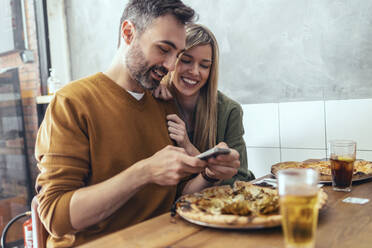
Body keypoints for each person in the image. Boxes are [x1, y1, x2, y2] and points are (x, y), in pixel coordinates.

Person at [35, 1, 241, 247]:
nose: (171, 66)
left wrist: (210, 174)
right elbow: (56, 217)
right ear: (128, 33)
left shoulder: (163, 103)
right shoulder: (72, 102)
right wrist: (143, 173)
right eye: (164, 49)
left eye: (177, 55)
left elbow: (174, 198)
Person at [153, 24, 255, 186]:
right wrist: (151, 85)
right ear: (172, 61)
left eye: (204, 65)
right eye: (186, 60)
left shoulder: (230, 111)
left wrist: (189, 147)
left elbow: (240, 179)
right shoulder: (155, 103)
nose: (194, 71)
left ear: (211, 70)